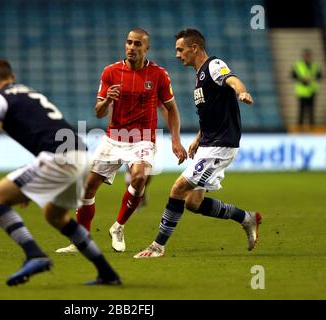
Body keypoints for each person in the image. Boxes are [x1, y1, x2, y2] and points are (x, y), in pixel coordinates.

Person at [0, 59, 121, 286]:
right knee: (55, 216)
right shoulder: (28, 92)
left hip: (57, 158)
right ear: (12, 77)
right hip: (80, 155)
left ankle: (34, 255)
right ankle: (108, 274)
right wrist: (32, 187)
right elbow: (46, 131)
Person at [56, 28, 187, 253]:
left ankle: (118, 227)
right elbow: (98, 112)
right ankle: (81, 241)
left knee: (138, 178)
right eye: (129, 43)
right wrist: (107, 100)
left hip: (143, 138)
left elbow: (171, 109)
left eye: (137, 44)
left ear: (146, 48)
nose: (131, 47)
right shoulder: (111, 72)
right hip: (113, 138)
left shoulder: (158, 75)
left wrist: (175, 140)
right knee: (87, 187)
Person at [134, 28, 262, 259]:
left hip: (221, 145)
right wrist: (198, 138)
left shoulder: (214, 66)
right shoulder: (200, 75)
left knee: (178, 189)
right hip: (208, 143)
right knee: (193, 202)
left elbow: (232, 80)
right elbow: (213, 112)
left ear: (194, 48)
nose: (177, 54)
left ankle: (157, 246)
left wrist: (242, 92)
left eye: (180, 49)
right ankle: (247, 218)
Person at [292, 48, 322, 129]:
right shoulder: (298, 65)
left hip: (312, 91)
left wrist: (311, 78)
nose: (307, 57)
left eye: (308, 55)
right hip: (302, 91)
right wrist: (302, 79)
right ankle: (300, 128)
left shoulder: (315, 65)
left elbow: (320, 76)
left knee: (311, 111)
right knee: (301, 111)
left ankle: (312, 128)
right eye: (305, 55)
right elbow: (293, 75)